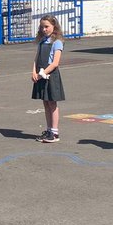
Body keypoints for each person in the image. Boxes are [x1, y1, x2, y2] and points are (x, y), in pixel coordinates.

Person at [31, 14, 65, 143]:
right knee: (45, 102)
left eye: (46, 27)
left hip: (51, 75)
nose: (44, 29)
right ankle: (49, 129)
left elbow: (55, 63)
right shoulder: (41, 42)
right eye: (42, 27)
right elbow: (36, 58)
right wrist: (34, 71)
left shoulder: (57, 42)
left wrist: (42, 73)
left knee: (52, 103)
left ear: (54, 26)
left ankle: (55, 132)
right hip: (41, 74)